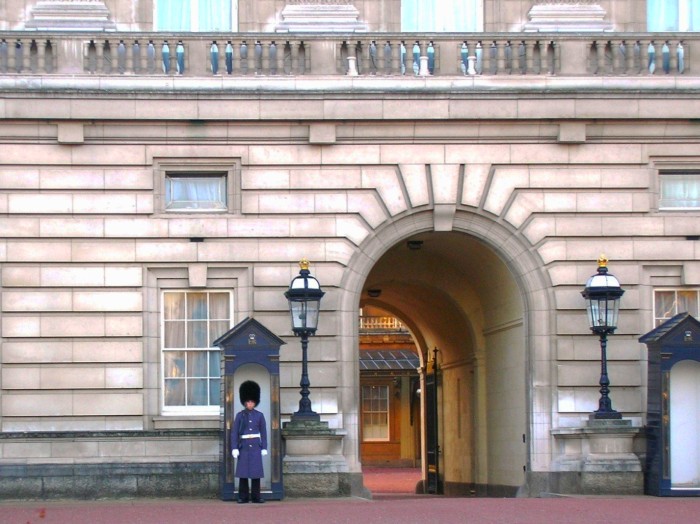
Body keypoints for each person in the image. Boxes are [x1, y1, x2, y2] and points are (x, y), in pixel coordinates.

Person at [231, 380, 268, 503]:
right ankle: (243, 496)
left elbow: (264, 433)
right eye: (248, 402)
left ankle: (256, 496)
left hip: (256, 447)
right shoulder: (240, 415)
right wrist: (234, 448)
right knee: (243, 474)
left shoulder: (259, 415)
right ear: (245, 402)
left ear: (255, 402)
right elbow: (234, 432)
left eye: (252, 402)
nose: (250, 404)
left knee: (256, 473)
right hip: (244, 447)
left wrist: (264, 447)